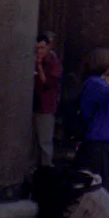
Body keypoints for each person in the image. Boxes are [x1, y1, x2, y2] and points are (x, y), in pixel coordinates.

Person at [74, 49, 109, 211]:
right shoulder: (93, 84)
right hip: (97, 145)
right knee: (101, 192)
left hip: (107, 144)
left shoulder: (99, 85)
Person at [34, 35, 63, 172]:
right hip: (33, 105)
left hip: (45, 106)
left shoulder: (53, 63)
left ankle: (46, 169)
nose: (39, 51)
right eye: (37, 48)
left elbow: (47, 83)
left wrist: (39, 66)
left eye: (42, 48)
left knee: (45, 142)